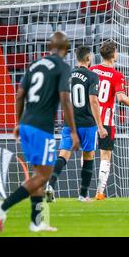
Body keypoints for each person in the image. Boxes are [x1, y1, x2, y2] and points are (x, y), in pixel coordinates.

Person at [0, 31, 80, 232]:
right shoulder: (62, 66)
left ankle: (36, 222)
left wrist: (18, 122)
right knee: (43, 176)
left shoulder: (34, 65)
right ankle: (2, 207)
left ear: (50, 47)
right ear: (66, 49)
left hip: (27, 125)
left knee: (37, 173)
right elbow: (65, 99)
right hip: (42, 128)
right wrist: (73, 131)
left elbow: (20, 95)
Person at [45, 46, 108, 203]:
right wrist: (100, 126)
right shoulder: (93, 76)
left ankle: (50, 185)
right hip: (87, 123)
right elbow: (94, 101)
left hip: (69, 123)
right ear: (88, 59)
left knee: (63, 154)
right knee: (88, 155)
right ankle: (82, 195)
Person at [90, 41, 129, 200]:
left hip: (89, 118)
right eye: (117, 51)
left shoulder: (92, 70)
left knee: (87, 154)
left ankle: (83, 190)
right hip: (106, 121)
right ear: (113, 55)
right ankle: (100, 191)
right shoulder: (116, 75)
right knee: (105, 156)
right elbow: (120, 98)